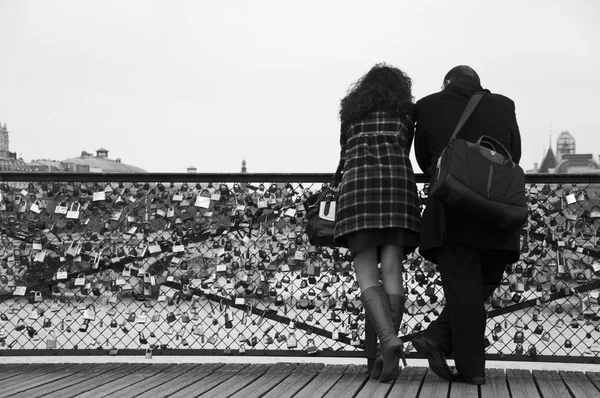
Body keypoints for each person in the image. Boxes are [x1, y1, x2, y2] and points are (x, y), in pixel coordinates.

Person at [412, 66, 522, 385]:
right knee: (481, 286)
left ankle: (464, 362)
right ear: (479, 86)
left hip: (451, 210)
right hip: (497, 212)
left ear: (446, 84)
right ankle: (444, 344)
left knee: (464, 290)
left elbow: (423, 158)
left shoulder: (429, 105)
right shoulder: (503, 104)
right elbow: (512, 154)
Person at [334, 63, 422, 383]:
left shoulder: (351, 113)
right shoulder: (406, 113)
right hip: (396, 190)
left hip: (358, 192)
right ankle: (387, 352)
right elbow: (406, 150)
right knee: (392, 270)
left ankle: (388, 342)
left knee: (367, 273)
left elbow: (343, 158)